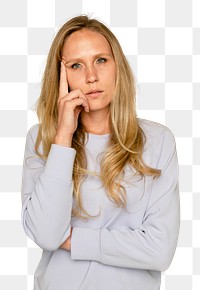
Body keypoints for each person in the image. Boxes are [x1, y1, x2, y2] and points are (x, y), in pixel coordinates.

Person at [21, 15, 180, 290]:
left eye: (101, 60)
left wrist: (73, 240)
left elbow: (160, 250)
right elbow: (47, 235)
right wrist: (63, 138)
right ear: (61, 76)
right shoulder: (43, 140)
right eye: (76, 65)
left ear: (118, 66)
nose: (91, 76)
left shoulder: (158, 140)